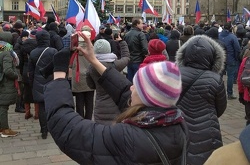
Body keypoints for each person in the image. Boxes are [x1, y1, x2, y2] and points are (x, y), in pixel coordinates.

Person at [44, 33, 188, 165]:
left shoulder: (127, 137)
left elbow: (68, 130)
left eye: (136, 86)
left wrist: (58, 76)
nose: (131, 88)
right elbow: (123, 90)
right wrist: (93, 60)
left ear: (147, 98)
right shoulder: (175, 121)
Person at [175, 34, 227, 165]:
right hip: (207, 130)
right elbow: (220, 108)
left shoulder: (174, 73)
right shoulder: (215, 79)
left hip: (177, 126)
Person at [87, 37, 130, 124]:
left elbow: (91, 85)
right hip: (117, 106)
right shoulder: (117, 64)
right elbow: (126, 57)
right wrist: (122, 42)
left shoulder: (91, 67)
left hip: (100, 107)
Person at [28, 30, 58, 139]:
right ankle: (52, 127)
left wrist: (32, 83)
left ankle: (43, 130)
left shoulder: (33, 53)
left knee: (41, 107)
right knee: (52, 106)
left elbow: (30, 72)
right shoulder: (53, 51)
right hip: (51, 82)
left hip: (37, 82)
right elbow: (56, 68)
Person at [70, 27, 94, 119]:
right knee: (89, 103)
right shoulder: (91, 48)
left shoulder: (74, 48)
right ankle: (88, 122)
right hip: (89, 78)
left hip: (78, 78)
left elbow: (70, 64)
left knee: (79, 102)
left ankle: (80, 122)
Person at [0, 41, 19, 137]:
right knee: (3, 106)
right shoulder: (6, 54)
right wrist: (16, 75)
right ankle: (5, 130)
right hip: (5, 83)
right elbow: (8, 70)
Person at [219, 22, 241, 99]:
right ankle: (230, 93)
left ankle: (219, 92)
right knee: (230, 76)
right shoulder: (232, 37)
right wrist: (236, 57)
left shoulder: (219, 35)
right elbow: (237, 49)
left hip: (221, 58)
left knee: (219, 76)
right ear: (230, 28)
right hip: (231, 58)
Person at [124, 17, 148, 82]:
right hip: (138, 60)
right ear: (137, 24)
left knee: (130, 81)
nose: (143, 25)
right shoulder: (141, 34)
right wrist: (144, 55)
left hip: (129, 61)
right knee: (138, 82)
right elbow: (145, 48)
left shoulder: (127, 34)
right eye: (141, 23)